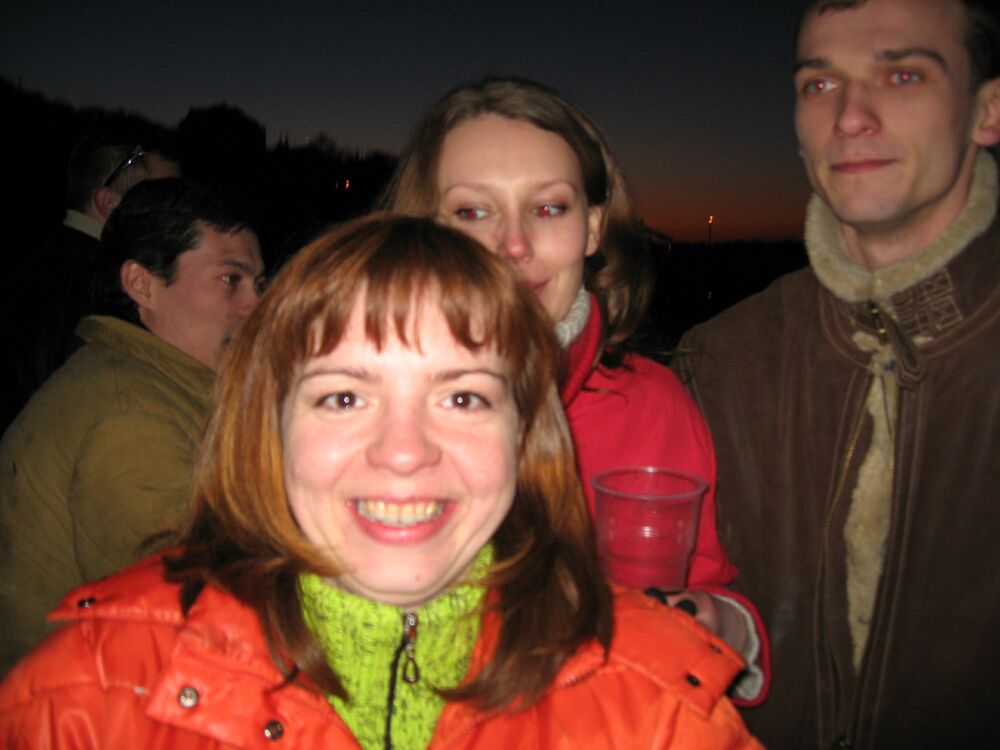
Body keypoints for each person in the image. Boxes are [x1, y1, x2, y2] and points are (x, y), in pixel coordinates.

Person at [0, 216, 761, 749]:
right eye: (343, 397)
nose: (404, 453)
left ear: (526, 436)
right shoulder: (89, 695)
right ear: (269, 428)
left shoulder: (660, 707)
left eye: (462, 398)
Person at [671, 0, 1000, 746]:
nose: (849, 117)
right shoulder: (717, 363)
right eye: (819, 85)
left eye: (902, 75)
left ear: (987, 111)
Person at [380, 77, 767, 702]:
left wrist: (728, 629)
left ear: (591, 228)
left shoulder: (653, 404)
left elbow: (707, 590)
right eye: (473, 212)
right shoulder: (357, 408)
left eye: (548, 209)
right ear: (423, 230)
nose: (513, 245)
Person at [0, 178, 264, 674]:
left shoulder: (147, 382)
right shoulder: (131, 416)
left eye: (258, 284)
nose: (256, 306)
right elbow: (202, 613)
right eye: (231, 279)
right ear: (142, 285)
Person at [6, 128, 182, 427]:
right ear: (107, 202)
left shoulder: (36, 263)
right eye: (162, 200)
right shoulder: (103, 288)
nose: (181, 215)